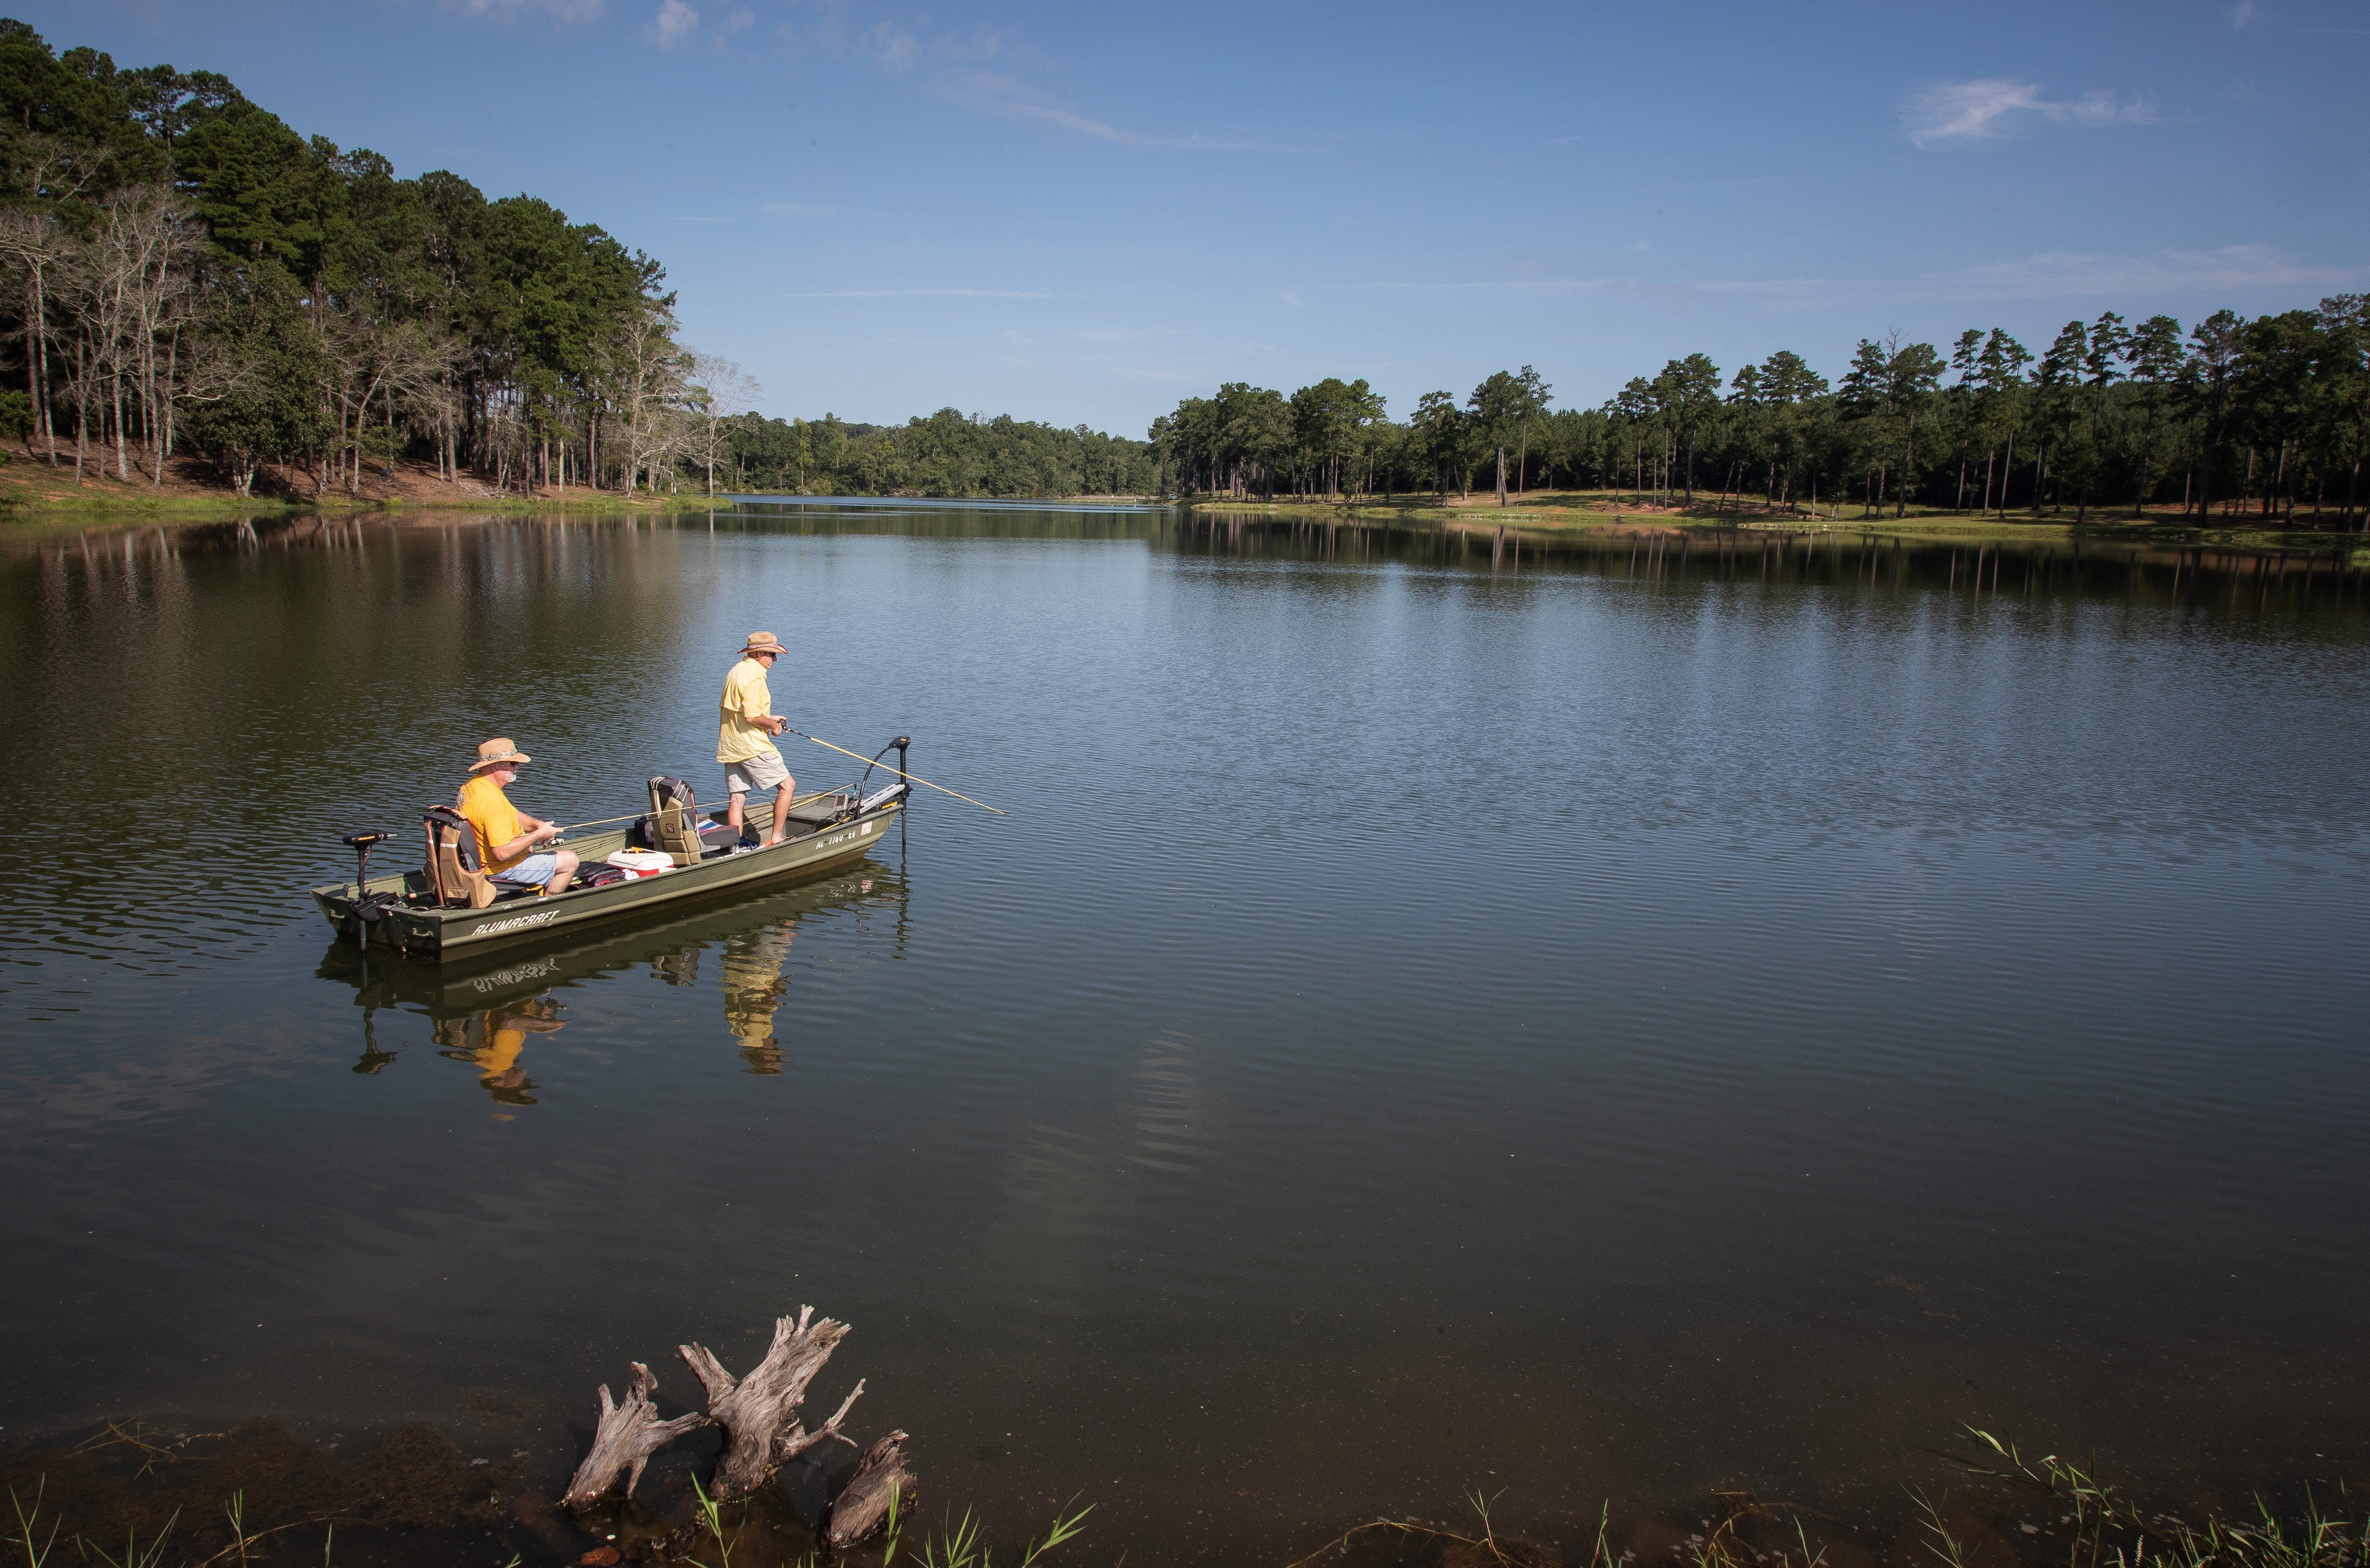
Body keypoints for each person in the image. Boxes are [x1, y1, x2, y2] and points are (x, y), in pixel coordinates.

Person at [457, 737, 578, 894]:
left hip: (480, 861)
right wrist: (539, 835)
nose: (518, 767)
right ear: (495, 766)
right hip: (499, 868)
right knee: (570, 860)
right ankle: (546, 905)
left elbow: (512, 813)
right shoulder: (492, 802)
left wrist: (537, 826)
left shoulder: (474, 786)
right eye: (513, 764)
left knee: (529, 845)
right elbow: (502, 853)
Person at [719, 631, 796, 847]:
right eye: (772, 655)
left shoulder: (737, 670)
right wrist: (773, 726)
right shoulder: (755, 677)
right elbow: (752, 716)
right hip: (752, 746)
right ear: (759, 654)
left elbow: (741, 711)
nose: (775, 660)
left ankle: (735, 844)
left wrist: (770, 717)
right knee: (787, 786)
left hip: (731, 745)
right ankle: (777, 838)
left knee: (737, 796)